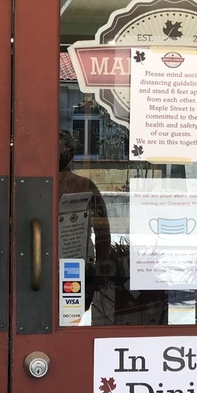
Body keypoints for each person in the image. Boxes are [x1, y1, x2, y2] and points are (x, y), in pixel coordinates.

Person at [58, 130, 112, 318]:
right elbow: (103, 232)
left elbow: (102, 232)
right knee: (69, 321)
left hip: (75, 268)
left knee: (70, 320)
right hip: (70, 268)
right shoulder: (85, 185)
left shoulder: (85, 186)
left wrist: (100, 269)